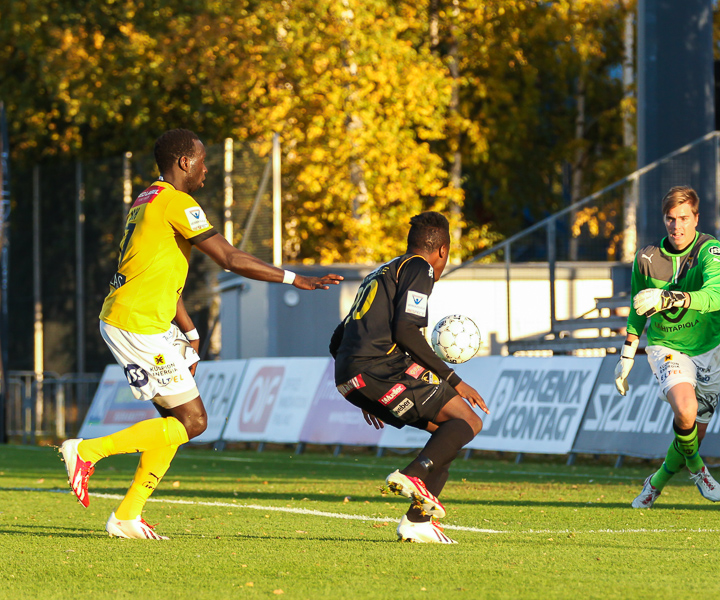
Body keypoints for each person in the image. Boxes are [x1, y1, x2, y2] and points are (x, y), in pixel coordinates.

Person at [59, 128, 343, 539]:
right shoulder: (178, 202)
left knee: (175, 424)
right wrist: (295, 278)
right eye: (202, 161)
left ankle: (126, 516)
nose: (206, 169)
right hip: (135, 323)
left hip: (143, 319)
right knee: (193, 422)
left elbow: (157, 272)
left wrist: (189, 331)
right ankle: (87, 451)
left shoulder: (147, 199)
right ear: (184, 163)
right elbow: (229, 258)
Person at [329, 211, 488, 544]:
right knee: (469, 421)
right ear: (442, 250)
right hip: (377, 368)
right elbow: (405, 329)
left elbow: (337, 339)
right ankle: (412, 476)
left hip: (353, 374)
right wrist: (454, 380)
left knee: (448, 435)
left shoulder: (381, 273)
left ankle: (418, 522)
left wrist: (360, 388)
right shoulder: (420, 267)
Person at [615, 186, 720, 508]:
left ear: (696, 218)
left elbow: (714, 297)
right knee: (686, 409)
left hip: (709, 346)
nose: (676, 226)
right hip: (667, 345)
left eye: (683, 218)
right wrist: (627, 354)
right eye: (670, 219)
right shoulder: (647, 258)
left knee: (693, 433)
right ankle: (698, 469)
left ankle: (656, 483)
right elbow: (638, 309)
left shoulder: (711, 251)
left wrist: (669, 297)